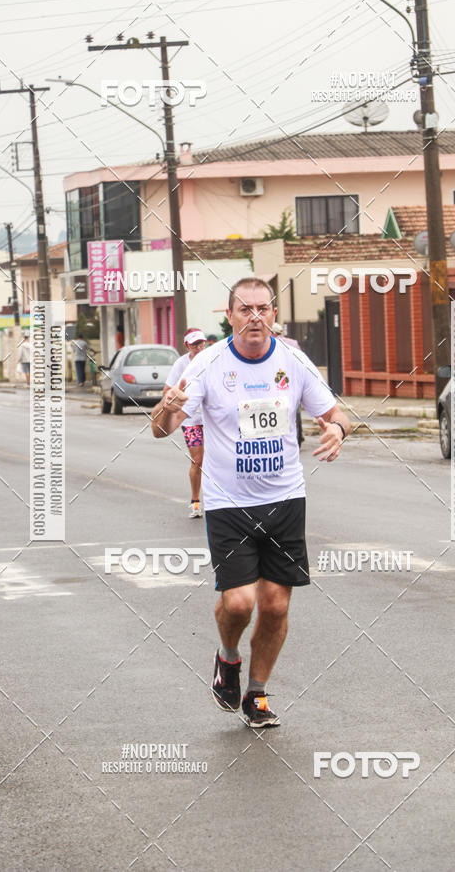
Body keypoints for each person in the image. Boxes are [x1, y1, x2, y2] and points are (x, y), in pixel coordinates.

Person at [152, 278, 350, 728]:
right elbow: (161, 429)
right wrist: (167, 407)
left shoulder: (293, 361)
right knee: (240, 603)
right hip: (228, 502)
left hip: (285, 499)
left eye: (263, 308)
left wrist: (338, 430)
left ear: (274, 314)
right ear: (230, 316)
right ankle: (227, 658)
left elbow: (336, 413)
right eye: (245, 309)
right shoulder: (207, 364)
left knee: (276, 605)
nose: (255, 317)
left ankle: (257, 695)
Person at [163, 329, 207, 518]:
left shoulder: (212, 359)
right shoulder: (181, 364)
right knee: (198, 460)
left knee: (222, 458)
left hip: (213, 419)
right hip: (191, 420)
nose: (199, 347)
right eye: (195, 344)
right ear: (187, 346)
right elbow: (166, 390)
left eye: (201, 343)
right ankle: (195, 501)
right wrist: (175, 398)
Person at [272, 323, 304, 445]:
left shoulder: (271, 344)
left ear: (273, 333)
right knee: (295, 411)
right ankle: (298, 436)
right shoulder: (293, 343)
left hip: (279, 382)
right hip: (292, 382)